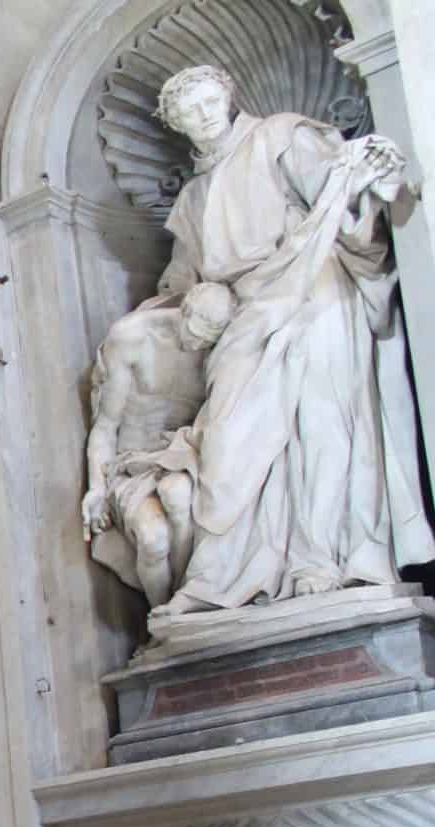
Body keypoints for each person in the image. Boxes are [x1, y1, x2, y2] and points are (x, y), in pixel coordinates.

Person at [145, 65, 428, 614]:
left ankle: (323, 560)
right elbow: (181, 283)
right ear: (175, 126)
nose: (203, 118)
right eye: (187, 114)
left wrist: (367, 176)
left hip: (313, 288)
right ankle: (223, 576)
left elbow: (344, 197)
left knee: (323, 427)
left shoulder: (281, 135)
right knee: (229, 442)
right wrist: (180, 311)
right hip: (245, 315)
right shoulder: (193, 199)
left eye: (208, 103)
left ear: (228, 96)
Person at [80, 282, 234, 606]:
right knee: (152, 539)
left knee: (177, 494)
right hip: (131, 463)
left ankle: (186, 602)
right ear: (185, 310)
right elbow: (106, 426)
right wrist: (96, 487)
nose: (195, 344)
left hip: (180, 455)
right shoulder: (132, 337)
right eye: (193, 332)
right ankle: (163, 617)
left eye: (206, 340)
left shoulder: (219, 354)